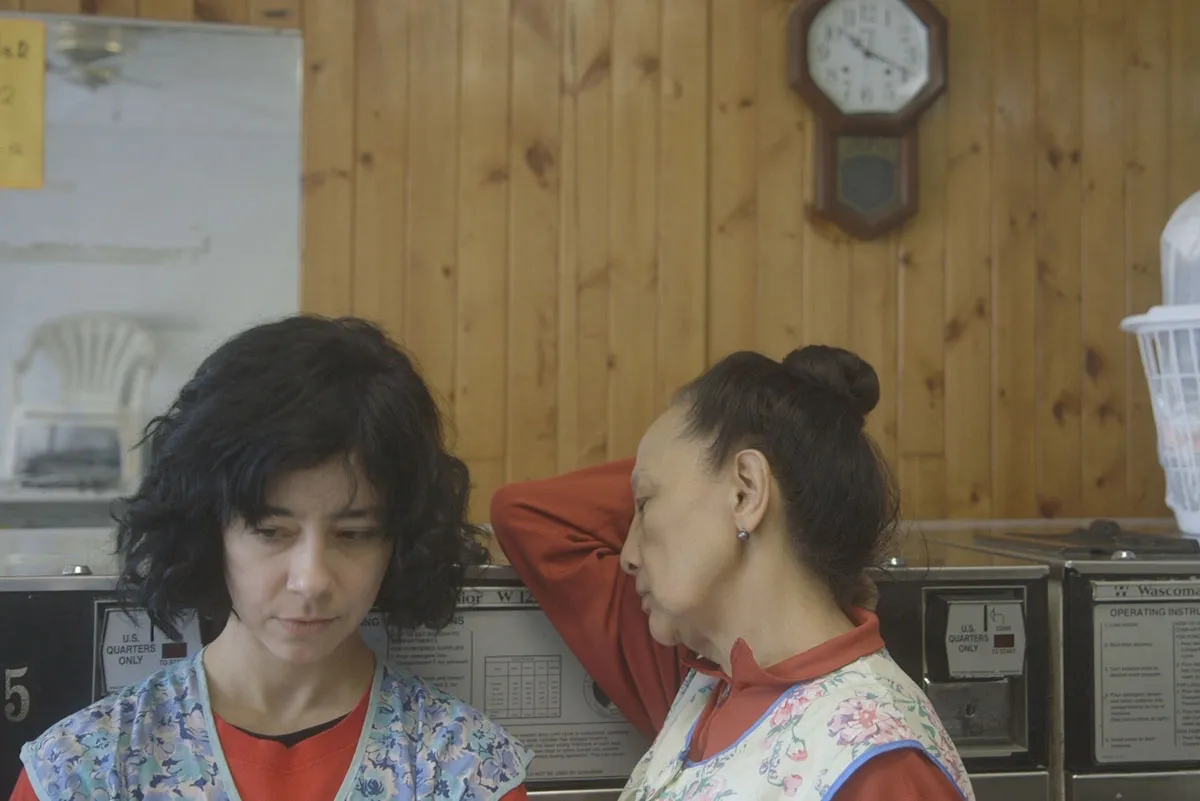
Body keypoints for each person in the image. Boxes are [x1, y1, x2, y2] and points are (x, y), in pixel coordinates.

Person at [10, 316, 532, 801]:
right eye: (270, 531)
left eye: (353, 534)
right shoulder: (82, 772)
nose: (311, 580)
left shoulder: (466, 772)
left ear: (398, 540)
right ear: (208, 530)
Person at [491, 346, 974, 800]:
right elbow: (526, 514)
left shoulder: (881, 767)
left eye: (643, 504)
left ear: (745, 491)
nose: (627, 555)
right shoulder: (705, 680)